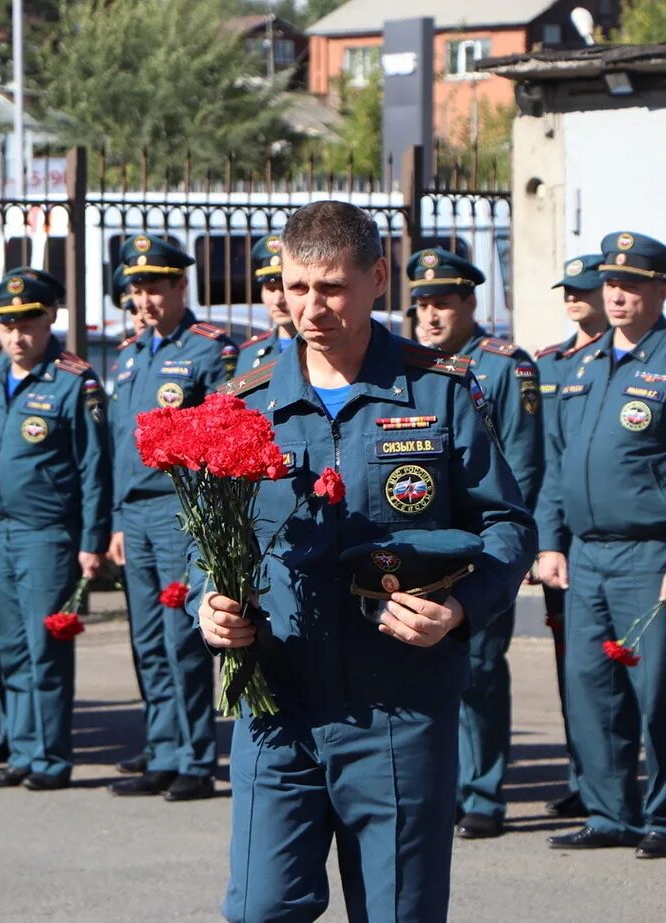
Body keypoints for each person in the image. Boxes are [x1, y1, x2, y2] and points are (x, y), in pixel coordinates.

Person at [196, 200, 534, 920]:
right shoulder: (245, 401)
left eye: (331, 288)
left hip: (399, 709)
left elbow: (506, 525)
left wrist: (460, 607)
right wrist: (212, 602)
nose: (309, 307)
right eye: (295, 287)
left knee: (398, 912)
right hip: (277, 709)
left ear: (377, 277)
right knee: (259, 907)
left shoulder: (439, 390)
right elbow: (219, 537)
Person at [538, 231, 666, 860]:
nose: (618, 295)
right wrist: (550, 542)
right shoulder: (582, 366)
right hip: (586, 554)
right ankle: (611, 811)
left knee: (660, 690)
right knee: (590, 685)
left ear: (660, 290)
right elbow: (556, 464)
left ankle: (664, 817)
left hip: (653, 555)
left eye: (634, 283)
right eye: (612, 283)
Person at [408, 246, 543, 839]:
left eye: (443, 304)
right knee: (425, 666)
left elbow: (523, 462)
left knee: (481, 667)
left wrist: (520, 547)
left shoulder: (504, 365)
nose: (431, 316)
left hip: (483, 543)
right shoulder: (414, 367)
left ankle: (484, 793)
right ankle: (442, 785)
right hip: (428, 543)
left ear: (470, 303)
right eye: (422, 305)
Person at [0, 270, 111, 790]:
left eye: (27, 323)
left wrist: (92, 541)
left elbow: (94, 467)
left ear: (49, 318)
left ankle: (50, 757)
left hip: (47, 533)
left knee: (44, 649)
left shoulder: (73, 380)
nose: (16, 336)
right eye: (6, 324)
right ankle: (22, 750)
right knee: (10, 649)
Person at [106, 233, 235, 801]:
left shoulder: (209, 349)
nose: (144, 301)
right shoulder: (132, 352)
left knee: (182, 638)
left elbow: (217, 437)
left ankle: (195, 756)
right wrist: (113, 518)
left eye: (155, 288)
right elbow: (118, 441)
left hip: (179, 514)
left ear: (182, 285)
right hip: (134, 514)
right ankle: (161, 746)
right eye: (137, 289)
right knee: (147, 640)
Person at [532, 253, 609, 820]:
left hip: (622, 540)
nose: (574, 299)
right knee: (575, 667)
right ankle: (588, 779)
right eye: (569, 291)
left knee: (629, 673)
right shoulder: (549, 363)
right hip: (568, 538)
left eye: (585, 290)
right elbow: (546, 462)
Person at [237, 234, 296, 370]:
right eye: (270, 289)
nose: (277, 300)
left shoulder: (326, 349)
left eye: (285, 289)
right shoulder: (249, 354)